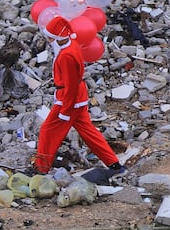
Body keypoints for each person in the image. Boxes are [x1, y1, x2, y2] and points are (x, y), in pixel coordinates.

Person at [31, 15, 124, 177]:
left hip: (69, 99)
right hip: (77, 98)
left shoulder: (66, 55)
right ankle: (114, 164)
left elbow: (71, 87)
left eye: (50, 36)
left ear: (58, 38)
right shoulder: (70, 45)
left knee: (48, 131)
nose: (48, 39)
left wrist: (65, 111)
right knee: (88, 132)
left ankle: (41, 168)